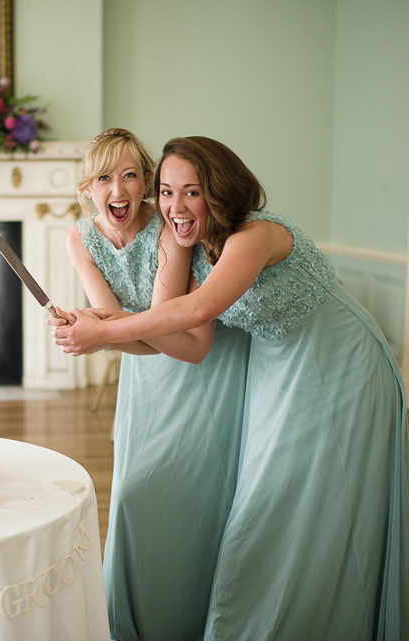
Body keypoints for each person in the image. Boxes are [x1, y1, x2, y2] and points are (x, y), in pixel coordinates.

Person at [53, 136, 409, 640]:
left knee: (303, 499)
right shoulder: (197, 245)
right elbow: (174, 326)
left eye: (191, 192)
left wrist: (101, 332)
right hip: (275, 367)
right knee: (276, 498)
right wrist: (98, 325)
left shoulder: (253, 235)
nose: (174, 206)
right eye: (166, 192)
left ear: (220, 191)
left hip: (341, 358)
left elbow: (196, 312)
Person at [54, 129, 251, 640]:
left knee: (195, 496)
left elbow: (152, 327)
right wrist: (97, 331)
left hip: (198, 375)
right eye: (104, 177)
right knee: (133, 497)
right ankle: (136, 619)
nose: (117, 189)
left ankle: (189, 616)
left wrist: (102, 332)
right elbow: (117, 326)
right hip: (144, 378)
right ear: (87, 187)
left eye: (130, 175)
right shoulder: (80, 237)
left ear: (145, 183)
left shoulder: (167, 229)